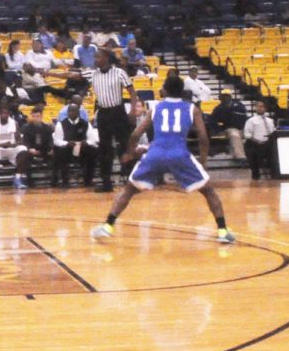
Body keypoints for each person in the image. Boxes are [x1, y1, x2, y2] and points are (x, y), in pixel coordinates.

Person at [91, 75, 234, 243]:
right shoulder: (192, 109)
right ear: (182, 91)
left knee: (129, 191)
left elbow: (136, 134)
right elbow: (203, 137)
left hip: (155, 154)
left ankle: (107, 226)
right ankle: (223, 232)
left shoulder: (156, 108)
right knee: (209, 192)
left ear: (164, 90)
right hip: (180, 154)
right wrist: (203, 161)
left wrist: (130, 152)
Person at [91, 49, 135, 192]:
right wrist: (46, 73)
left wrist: (133, 111)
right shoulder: (92, 73)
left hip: (118, 112)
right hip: (103, 113)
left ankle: (131, 179)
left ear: (106, 59)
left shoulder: (119, 72)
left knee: (124, 146)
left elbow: (132, 92)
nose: (95, 59)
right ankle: (106, 182)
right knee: (105, 148)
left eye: (98, 56)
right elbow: (71, 74)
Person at [0, 105, 29, 190]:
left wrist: (13, 144)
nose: (4, 115)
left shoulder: (14, 123)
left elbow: (20, 140)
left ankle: (17, 178)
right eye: (2, 113)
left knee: (23, 149)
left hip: (11, 148)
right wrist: (1, 145)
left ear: (9, 114)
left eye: (6, 113)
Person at [52, 101, 97, 188]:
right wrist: (67, 143)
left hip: (82, 149)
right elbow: (57, 140)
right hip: (67, 149)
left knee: (93, 151)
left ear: (78, 112)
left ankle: (88, 180)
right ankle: (65, 181)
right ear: (67, 112)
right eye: (70, 111)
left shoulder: (85, 124)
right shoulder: (60, 124)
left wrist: (86, 142)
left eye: (74, 111)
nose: (71, 113)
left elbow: (92, 139)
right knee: (61, 152)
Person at [210, 90, 248, 161]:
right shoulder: (219, 108)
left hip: (243, 129)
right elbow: (212, 121)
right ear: (220, 97)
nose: (225, 98)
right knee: (234, 134)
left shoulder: (239, 105)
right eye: (223, 96)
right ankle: (241, 157)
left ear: (230, 96)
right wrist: (218, 130)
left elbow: (244, 115)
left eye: (227, 96)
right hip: (229, 129)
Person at [242, 101, 275, 180]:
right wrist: (257, 141)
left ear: (265, 108)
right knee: (251, 150)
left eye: (262, 106)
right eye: (258, 106)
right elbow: (247, 134)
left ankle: (274, 174)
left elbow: (273, 132)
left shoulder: (270, 121)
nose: (260, 108)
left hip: (268, 144)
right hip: (255, 144)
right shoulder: (251, 120)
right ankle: (255, 175)